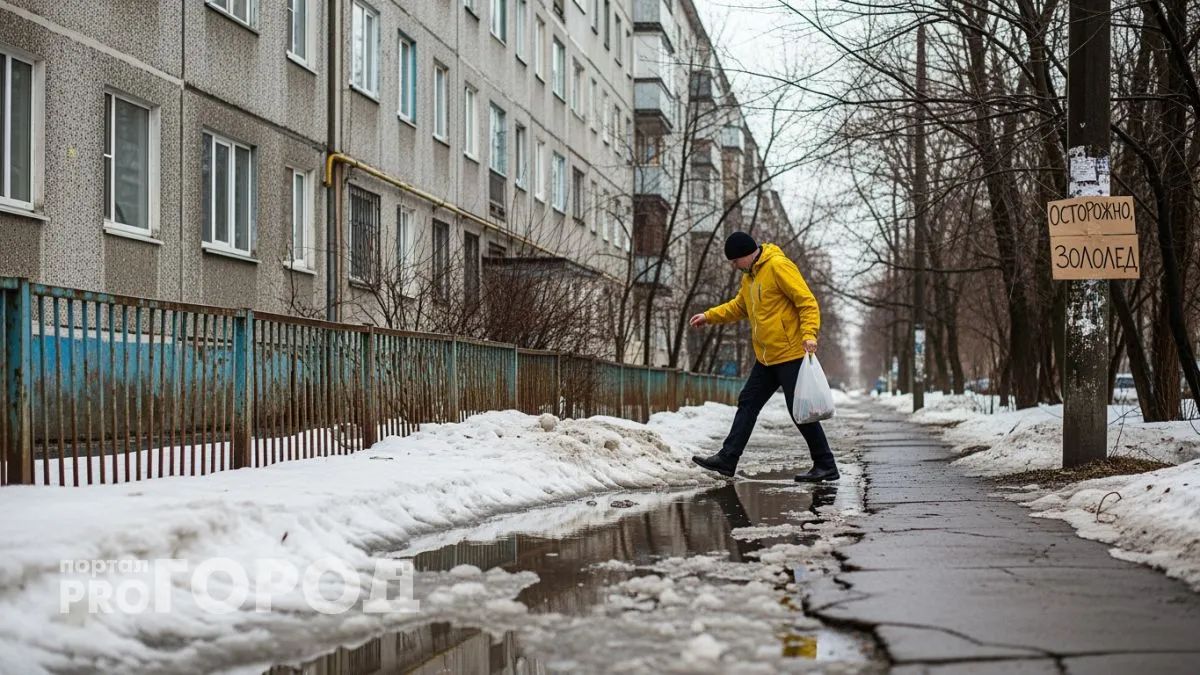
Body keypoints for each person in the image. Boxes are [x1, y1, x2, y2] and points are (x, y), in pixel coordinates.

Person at [688, 232, 839, 483]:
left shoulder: (779, 266)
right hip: (767, 357)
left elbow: (807, 302)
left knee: (799, 410)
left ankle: (826, 465)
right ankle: (728, 458)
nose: (733, 266)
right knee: (748, 401)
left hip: (790, 352)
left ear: (746, 255)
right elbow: (739, 307)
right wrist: (709, 316)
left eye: (734, 261)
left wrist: (809, 334)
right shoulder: (750, 278)